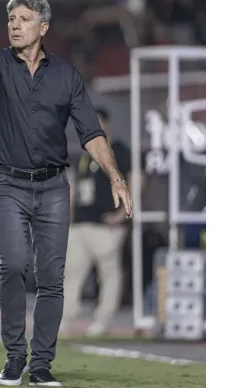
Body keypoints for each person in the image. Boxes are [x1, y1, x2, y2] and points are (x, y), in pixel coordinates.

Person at [0, 0, 133, 386]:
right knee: (13, 265)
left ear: (43, 27)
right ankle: (15, 357)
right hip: (5, 184)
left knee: (52, 277)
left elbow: (92, 133)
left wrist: (117, 177)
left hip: (52, 187)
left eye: (24, 19)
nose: (14, 24)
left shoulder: (66, 76)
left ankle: (42, 364)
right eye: (11, 18)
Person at [62, 108, 132, 338]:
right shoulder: (85, 153)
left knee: (109, 275)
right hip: (81, 223)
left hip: (106, 223)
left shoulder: (120, 152)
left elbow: (135, 181)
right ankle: (66, 319)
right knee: (72, 272)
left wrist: (122, 215)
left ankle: (103, 321)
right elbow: (75, 185)